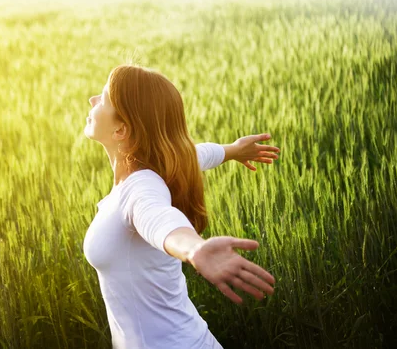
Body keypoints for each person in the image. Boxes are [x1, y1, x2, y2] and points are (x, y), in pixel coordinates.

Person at [83, 64, 279, 349]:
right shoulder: (162, 166)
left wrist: (195, 249)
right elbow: (197, 153)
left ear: (121, 129)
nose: (92, 101)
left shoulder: (141, 188)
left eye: (102, 98)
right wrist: (233, 150)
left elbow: (159, 219)